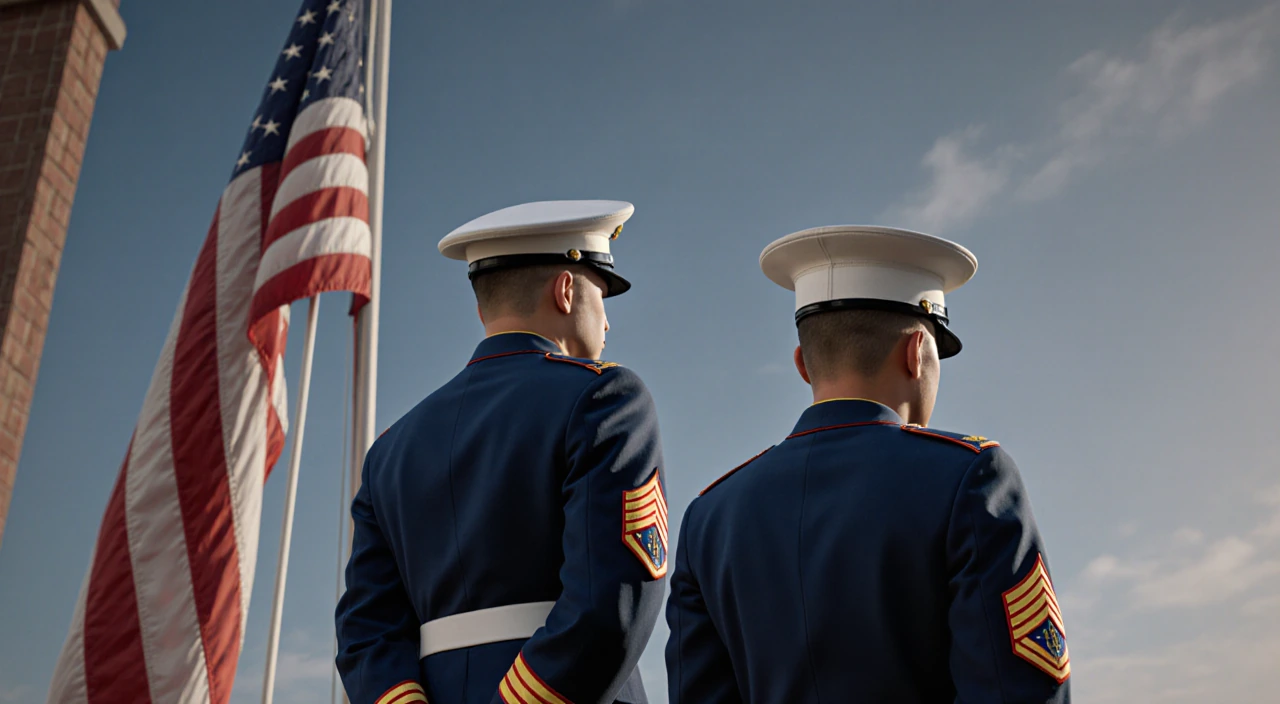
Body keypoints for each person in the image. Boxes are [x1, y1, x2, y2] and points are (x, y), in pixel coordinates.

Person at [665, 225, 1070, 703]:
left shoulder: (709, 517)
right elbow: (1016, 693)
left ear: (802, 364)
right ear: (917, 353)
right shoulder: (970, 477)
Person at [336, 201, 668, 704]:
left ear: (481, 309)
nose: (606, 325)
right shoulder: (605, 398)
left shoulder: (390, 448)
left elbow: (366, 630)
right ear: (566, 290)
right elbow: (610, 602)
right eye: (603, 298)